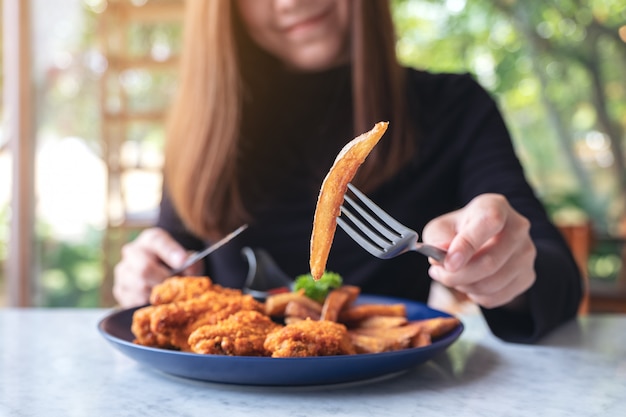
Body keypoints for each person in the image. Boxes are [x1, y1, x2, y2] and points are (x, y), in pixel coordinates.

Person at [113, 0, 583, 343]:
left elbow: (556, 279)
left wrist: (506, 266)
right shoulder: (207, 128)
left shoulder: (454, 108)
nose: (291, 2)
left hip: (397, 395)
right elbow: (174, 269)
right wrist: (146, 276)